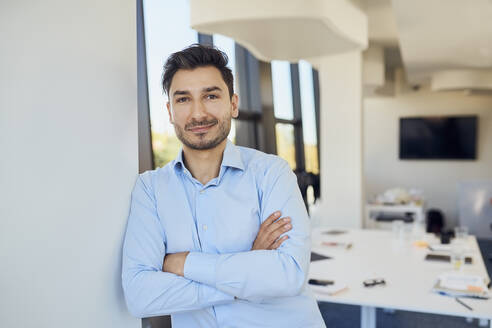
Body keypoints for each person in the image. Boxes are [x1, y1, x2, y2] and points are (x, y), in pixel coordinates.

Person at [122, 44, 325, 327]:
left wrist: (183, 264)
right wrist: (248, 270)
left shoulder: (271, 173)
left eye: (211, 95)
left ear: (233, 103)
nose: (198, 113)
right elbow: (140, 296)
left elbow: (289, 274)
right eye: (183, 100)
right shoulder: (150, 189)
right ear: (169, 111)